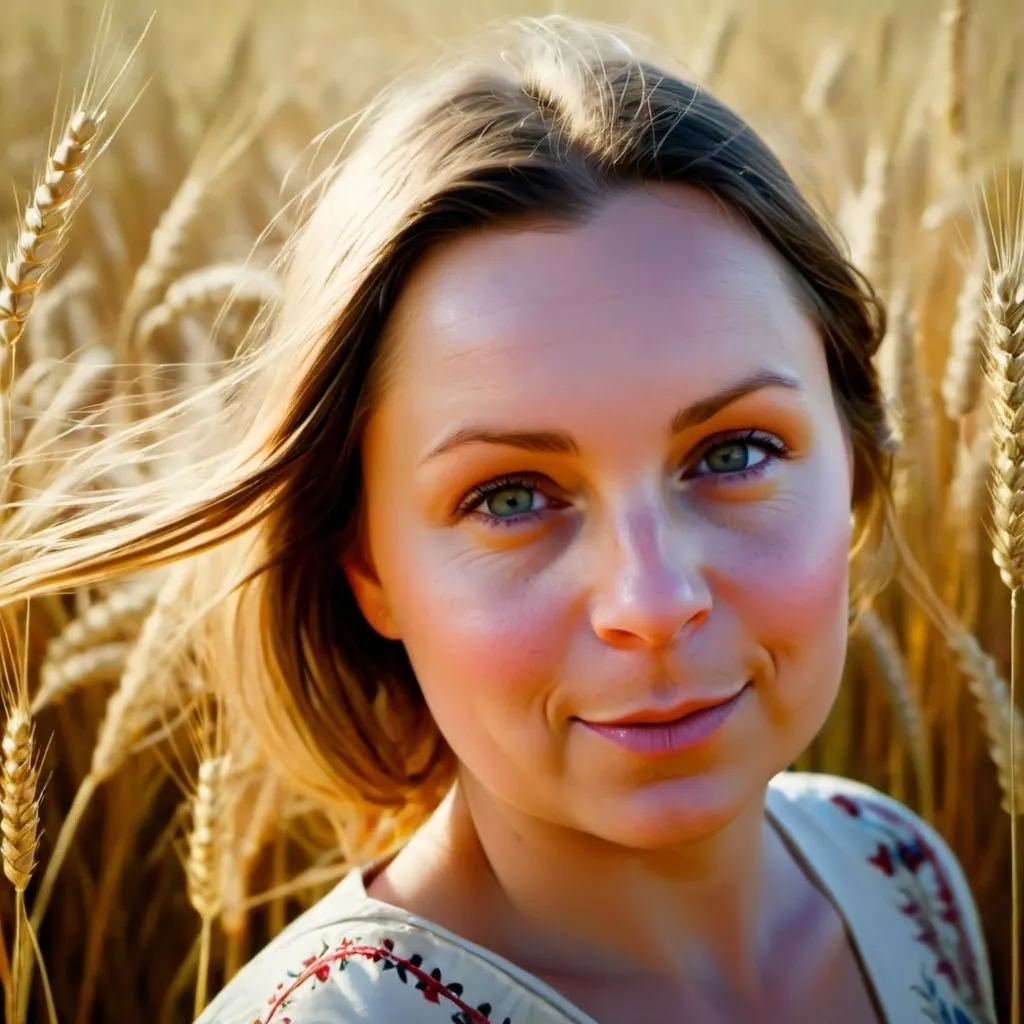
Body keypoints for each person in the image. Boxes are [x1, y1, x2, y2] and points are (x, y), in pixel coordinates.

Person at [10, 15, 997, 1024]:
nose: (651, 602)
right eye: (510, 496)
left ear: (860, 463)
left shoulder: (901, 876)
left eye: (734, 452)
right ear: (368, 567)